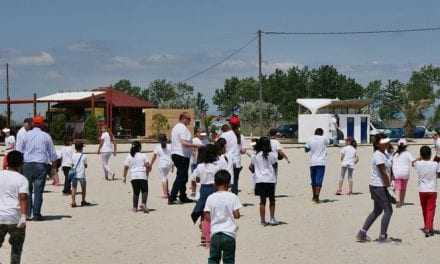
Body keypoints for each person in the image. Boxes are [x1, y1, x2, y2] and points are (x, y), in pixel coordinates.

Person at [357, 135, 394, 243]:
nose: (386, 143)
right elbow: (383, 172)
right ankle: (382, 237)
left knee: (377, 210)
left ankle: (362, 233)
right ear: (377, 144)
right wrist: (389, 188)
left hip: (378, 185)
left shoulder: (384, 154)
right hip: (379, 186)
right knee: (388, 210)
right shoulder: (378, 155)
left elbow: (389, 167)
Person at [19, 116, 57, 221]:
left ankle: (27, 214)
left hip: (27, 165)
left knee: (28, 190)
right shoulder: (46, 136)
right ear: (42, 124)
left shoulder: (25, 135)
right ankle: (36, 214)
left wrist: (19, 167)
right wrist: (54, 170)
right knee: (38, 191)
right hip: (41, 165)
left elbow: (19, 151)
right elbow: (53, 154)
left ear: (33, 123)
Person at [205, 170, 241, 264]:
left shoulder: (210, 197)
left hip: (215, 233)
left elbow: (207, 215)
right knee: (229, 260)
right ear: (228, 184)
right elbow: (237, 215)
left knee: (213, 259)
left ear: (215, 183)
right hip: (229, 234)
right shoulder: (233, 196)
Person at [190, 144, 223, 247]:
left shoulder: (200, 166)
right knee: (213, 214)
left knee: (203, 214)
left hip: (204, 190)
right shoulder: (217, 166)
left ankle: (203, 237)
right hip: (214, 190)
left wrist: (194, 191)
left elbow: (193, 178)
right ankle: (211, 236)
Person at [0, 151, 28, 264]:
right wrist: (23, 216)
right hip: (15, 218)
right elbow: (23, 198)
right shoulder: (22, 179)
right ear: (21, 164)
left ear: (6, 161)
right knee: (16, 249)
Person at [169, 112, 199, 204]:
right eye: (188, 119)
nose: (190, 121)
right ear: (183, 118)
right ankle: (172, 196)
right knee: (182, 177)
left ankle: (182, 196)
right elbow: (184, 143)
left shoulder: (176, 127)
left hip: (177, 154)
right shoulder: (182, 128)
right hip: (181, 155)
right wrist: (196, 145)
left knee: (182, 176)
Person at [249, 137, 279, 225]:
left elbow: (251, 167)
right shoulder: (272, 155)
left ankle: (262, 220)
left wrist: (256, 172)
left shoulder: (255, 155)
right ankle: (272, 218)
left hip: (259, 180)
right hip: (270, 179)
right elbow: (275, 165)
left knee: (262, 201)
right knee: (272, 200)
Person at [414, 146, 439, 237]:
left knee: (424, 210)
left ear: (421, 155)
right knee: (431, 210)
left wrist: (419, 158)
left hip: (422, 190)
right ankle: (429, 227)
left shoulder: (418, 163)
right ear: (430, 154)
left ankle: (427, 226)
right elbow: (438, 174)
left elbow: (413, 163)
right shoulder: (435, 164)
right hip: (432, 189)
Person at [220, 115, 246, 195]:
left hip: (226, 160)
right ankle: (234, 196)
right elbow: (243, 151)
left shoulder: (224, 135)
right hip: (237, 161)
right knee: (235, 180)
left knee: (225, 179)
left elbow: (221, 148)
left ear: (230, 124)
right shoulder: (241, 136)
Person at [123, 141, 150, 213]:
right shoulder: (143, 155)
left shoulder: (129, 156)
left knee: (136, 192)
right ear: (139, 147)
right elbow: (148, 165)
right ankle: (143, 204)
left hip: (133, 176)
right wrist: (148, 171)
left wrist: (124, 177)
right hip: (142, 175)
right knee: (145, 191)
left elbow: (126, 167)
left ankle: (135, 208)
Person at [305, 128, 329, 203]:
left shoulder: (310, 139)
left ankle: (313, 196)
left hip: (312, 162)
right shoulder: (324, 138)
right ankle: (317, 197)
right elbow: (329, 142)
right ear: (322, 133)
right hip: (321, 162)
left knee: (313, 180)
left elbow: (306, 149)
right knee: (319, 180)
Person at [391, 139, 415, 208]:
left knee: (397, 188)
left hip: (396, 173)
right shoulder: (407, 153)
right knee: (403, 188)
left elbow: (391, 162)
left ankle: (398, 200)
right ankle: (402, 201)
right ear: (406, 146)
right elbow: (413, 161)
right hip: (405, 173)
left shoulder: (395, 154)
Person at [150, 134, 173, 199]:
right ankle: (167, 191)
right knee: (165, 177)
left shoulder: (157, 147)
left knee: (163, 178)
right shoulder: (170, 146)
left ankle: (165, 194)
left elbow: (154, 156)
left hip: (162, 164)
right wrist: (173, 164)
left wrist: (151, 164)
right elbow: (173, 155)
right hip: (169, 163)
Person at [70, 143, 90, 208]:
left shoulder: (73, 155)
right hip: (81, 174)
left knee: (73, 188)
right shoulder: (84, 156)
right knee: (83, 189)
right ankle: (83, 201)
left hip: (74, 174)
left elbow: (72, 165)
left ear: (75, 148)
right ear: (82, 148)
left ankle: (73, 202)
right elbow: (85, 165)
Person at [190, 128, 205, 198]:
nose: (202, 134)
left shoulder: (204, 141)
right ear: (196, 133)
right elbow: (192, 149)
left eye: (203, 132)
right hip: (195, 162)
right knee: (194, 177)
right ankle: (193, 191)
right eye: (201, 132)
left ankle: (198, 191)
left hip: (201, 162)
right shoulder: (195, 140)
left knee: (200, 177)